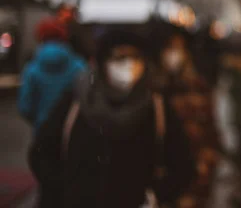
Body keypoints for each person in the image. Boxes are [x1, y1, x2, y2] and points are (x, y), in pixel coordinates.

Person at [29, 29, 195, 208]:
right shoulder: (77, 102)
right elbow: (40, 154)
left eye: (135, 57)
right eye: (119, 57)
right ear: (103, 62)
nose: (128, 65)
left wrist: (158, 195)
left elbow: (184, 165)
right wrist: (66, 190)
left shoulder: (157, 107)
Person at [153, 31, 220, 207]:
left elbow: (209, 138)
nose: (173, 55)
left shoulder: (197, 87)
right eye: (169, 49)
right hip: (158, 183)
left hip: (191, 182)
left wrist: (199, 186)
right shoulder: (150, 91)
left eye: (178, 49)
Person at [18, 18, 86, 132]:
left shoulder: (32, 69)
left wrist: (38, 121)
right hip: (71, 130)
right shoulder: (79, 66)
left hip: (42, 128)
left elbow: (25, 107)